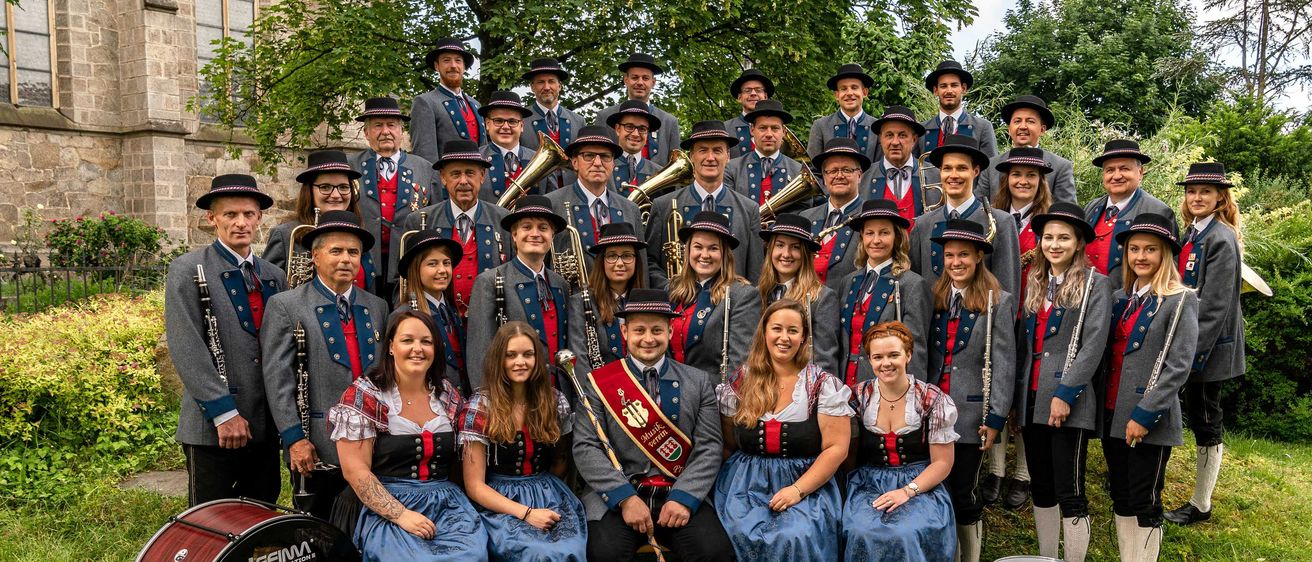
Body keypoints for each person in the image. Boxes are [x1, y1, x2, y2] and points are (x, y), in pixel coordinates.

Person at [572, 288, 735, 561]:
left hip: (679, 491)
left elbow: (709, 447)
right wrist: (625, 498)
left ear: (670, 332)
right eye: (639, 330)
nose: (648, 339)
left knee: (715, 553)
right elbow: (585, 447)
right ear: (625, 333)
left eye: (657, 330)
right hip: (618, 496)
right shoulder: (598, 383)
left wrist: (684, 497)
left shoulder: (698, 382)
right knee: (604, 555)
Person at [261, 211, 390, 523]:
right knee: (319, 529)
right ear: (315, 256)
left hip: (375, 443)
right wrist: (294, 438)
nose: (346, 259)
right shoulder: (286, 305)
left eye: (353, 252)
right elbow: (278, 380)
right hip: (319, 445)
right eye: (336, 251)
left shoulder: (377, 306)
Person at [328, 311, 486, 560]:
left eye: (426, 341)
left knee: (472, 555)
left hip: (447, 506)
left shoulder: (447, 395)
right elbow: (355, 471)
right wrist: (401, 515)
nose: (417, 349)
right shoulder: (366, 395)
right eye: (407, 340)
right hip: (383, 507)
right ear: (391, 347)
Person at [167, 174, 286, 507]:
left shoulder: (273, 276)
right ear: (212, 218)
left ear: (259, 218)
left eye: (248, 214)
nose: (240, 223)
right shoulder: (187, 269)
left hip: (264, 426)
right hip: (212, 428)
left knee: (260, 517)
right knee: (210, 521)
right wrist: (223, 413)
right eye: (230, 214)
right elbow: (187, 347)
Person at [714, 299, 852, 560]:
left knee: (795, 535)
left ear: (804, 338)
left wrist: (797, 490)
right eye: (777, 329)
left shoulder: (821, 385)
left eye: (793, 330)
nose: (784, 337)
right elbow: (728, 441)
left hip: (807, 483)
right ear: (764, 333)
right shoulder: (742, 381)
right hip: (745, 484)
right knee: (734, 532)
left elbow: (836, 449)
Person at [1013, 202, 1113, 562]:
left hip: (1069, 399)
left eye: (1064, 238)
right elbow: (1024, 346)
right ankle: (1046, 557)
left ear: (1079, 242)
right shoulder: (1035, 281)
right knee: (1041, 487)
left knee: (1070, 491)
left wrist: (1066, 394)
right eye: (1048, 237)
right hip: (1031, 396)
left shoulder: (1096, 284)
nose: (1054, 245)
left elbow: (1094, 345)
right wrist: (1015, 400)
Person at [1102, 213, 1198, 562]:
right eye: (1134, 249)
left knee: (1145, 499)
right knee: (1121, 495)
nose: (1140, 256)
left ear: (1165, 254)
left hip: (1149, 419)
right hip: (1112, 413)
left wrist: (1145, 414)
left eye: (1150, 249)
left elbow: (1178, 366)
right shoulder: (1120, 298)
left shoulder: (1180, 299)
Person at [925, 219, 1017, 562]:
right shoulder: (933, 296)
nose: (956, 262)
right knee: (937, 490)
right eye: (950, 255)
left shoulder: (999, 301)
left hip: (970, 415)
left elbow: (1004, 364)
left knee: (964, 490)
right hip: (931, 414)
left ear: (979, 256)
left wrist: (995, 418)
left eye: (963, 254)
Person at [459, 322, 587, 561]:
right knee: (535, 552)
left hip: (548, 492)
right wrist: (526, 512)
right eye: (511, 355)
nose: (520, 362)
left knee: (567, 549)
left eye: (528, 354)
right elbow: (474, 485)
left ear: (537, 359)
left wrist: (545, 499)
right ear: (499, 360)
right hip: (498, 500)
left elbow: (560, 460)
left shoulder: (553, 401)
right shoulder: (481, 407)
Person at [1165, 163, 1245, 526]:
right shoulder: (1194, 231)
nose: (1197, 197)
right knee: (1198, 415)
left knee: (1207, 420)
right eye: (1191, 191)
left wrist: (1191, 357)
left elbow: (1214, 307)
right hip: (1189, 341)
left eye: (1205, 192)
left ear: (1220, 197)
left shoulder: (1220, 238)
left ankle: (1201, 503)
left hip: (1207, 347)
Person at [843, 321, 958, 562]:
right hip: (869, 482)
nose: (885, 363)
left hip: (920, 483)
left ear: (908, 355)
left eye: (893, 355)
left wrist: (908, 491)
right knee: (860, 530)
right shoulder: (858, 397)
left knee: (905, 532)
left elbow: (942, 463)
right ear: (870, 360)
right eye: (878, 357)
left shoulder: (931, 399)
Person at [983, 145, 1056, 509]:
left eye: (1031, 176)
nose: (1023, 181)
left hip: (1036, 313)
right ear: (1006, 179)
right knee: (998, 386)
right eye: (1016, 175)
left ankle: (1023, 474)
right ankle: (996, 470)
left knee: (1027, 392)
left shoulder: (1050, 222)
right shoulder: (992, 218)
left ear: (1041, 182)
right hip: (998, 312)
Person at [465, 195, 570, 389]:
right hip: (512, 394)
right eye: (527, 227)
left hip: (559, 394)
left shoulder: (560, 284)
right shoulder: (488, 281)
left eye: (543, 228)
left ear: (552, 236)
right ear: (514, 235)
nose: (535, 234)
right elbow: (480, 353)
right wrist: (486, 398)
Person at [644, 121, 763, 287]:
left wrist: (742, 298)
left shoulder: (749, 210)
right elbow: (649, 261)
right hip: (677, 301)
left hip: (733, 301)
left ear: (728, 156)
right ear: (692, 156)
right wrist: (671, 290)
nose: (710, 158)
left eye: (717, 150)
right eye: (703, 150)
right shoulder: (663, 206)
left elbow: (755, 271)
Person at [404, 140, 513, 318]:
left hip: (491, 322)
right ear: (443, 178)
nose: (463, 181)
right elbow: (403, 284)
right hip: (437, 324)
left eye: (470, 173)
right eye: (455, 174)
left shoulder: (503, 220)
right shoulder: (418, 220)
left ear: (482, 176)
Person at [911, 134, 1022, 299]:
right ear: (940, 172)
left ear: (975, 171)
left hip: (982, 315)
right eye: (947, 168)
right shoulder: (923, 224)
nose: (953, 175)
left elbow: (1008, 292)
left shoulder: (1002, 222)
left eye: (961, 168)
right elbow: (915, 290)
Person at [836, 199, 933, 386]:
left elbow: (915, 350)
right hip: (843, 387)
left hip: (886, 388)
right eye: (869, 233)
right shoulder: (848, 282)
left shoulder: (912, 284)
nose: (876, 240)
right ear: (862, 237)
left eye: (884, 233)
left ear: (897, 237)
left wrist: (911, 396)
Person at [351, 97, 437, 296]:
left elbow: (436, 215)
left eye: (391, 125)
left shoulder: (425, 168)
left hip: (409, 261)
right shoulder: (350, 166)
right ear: (366, 133)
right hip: (362, 261)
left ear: (401, 131)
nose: (385, 131)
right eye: (377, 126)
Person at [666, 212, 763, 379]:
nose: (704, 255)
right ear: (688, 250)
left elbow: (738, 366)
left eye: (713, 248)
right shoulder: (673, 289)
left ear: (725, 254)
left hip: (712, 392)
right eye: (698, 247)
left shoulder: (743, 295)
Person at [263, 150, 377, 292]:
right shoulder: (285, 235)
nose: (336, 195)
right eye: (325, 187)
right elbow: (267, 290)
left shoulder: (359, 233)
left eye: (343, 187)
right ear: (309, 191)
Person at [1083, 139, 1178, 290]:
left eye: (1124, 168)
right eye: (1110, 170)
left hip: (1129, 300)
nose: (1116, 176)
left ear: (1140, 172)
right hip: (1085, 297)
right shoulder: (1091, 207)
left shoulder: (1157, 210)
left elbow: (1169, 270)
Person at [757, 214, 842, 373]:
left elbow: (825, 361)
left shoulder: (822, 298)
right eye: (780, 245)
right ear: (770, 249)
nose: (786, 254)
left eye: (795, 247)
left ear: (805, 254)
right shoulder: (758, 293)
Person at [546, 124, 644, 259]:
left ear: (613, 164)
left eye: (605, 156)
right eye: (589, 155)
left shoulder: (631, 209)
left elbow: (641, 264)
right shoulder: (552, 204)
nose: (597, 163)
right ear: (575, 163)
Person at [392, 231, 470, 395]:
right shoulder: (403, 315)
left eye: (446, 263)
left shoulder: (452, 310)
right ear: (416, 269)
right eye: (432, 264)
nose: (442, 270)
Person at [568, 223, 648, 373]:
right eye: (611, 256)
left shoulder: (647, 302)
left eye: (627, 256)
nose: (619, 263)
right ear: (601, 261)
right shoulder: (580, 302)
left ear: (636, 260)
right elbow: (579, 359)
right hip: (599, 385)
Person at [974, 95, 1076, 204]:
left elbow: (1067, 210)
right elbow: (979, 206)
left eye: (1030, 121)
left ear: (1042, 130)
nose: (1023, 126)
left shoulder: (1060, 167)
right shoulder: (991, 165)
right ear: (1009, 129)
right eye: (1017, 121)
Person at [593, 53, 681, 166]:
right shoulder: (605, 116)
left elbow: (675, 165)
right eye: (635, 77)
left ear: (653, 82)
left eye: (645, 78)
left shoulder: (669, 121)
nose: (640, 82)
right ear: (626, 80)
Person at [802, 138, 867, 287]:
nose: (839, 176)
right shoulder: (806, 217)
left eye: (847, 170)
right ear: (824, 178)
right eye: (832, 171)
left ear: (859, 175)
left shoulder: (869, 217)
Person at [410, 38, 485, 162]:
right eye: (446, 60)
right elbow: (424, 155)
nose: (453, 65)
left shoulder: (476, 104)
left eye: (458, 60)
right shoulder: (425, 102)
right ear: (437, 66)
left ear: (464, 66)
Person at [724, 99, 805, 209]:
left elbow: (803, 209)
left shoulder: (798, 171)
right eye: (762, 128)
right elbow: (727, 207)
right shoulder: (732, 168)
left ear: (784, 132)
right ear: (752, 130)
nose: (769, 134)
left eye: (775, 128)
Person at [478, 91, 550, 204]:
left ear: (521, 126)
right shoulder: (476, 159)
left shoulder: (540, 159)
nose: (506, 127)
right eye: (498, 121)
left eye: (512, 121)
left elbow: (552, 201)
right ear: (487, 124)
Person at [865, 105, 931, 225]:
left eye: (902, 135)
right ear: (880, 139)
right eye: (889, 135)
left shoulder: (934, 175)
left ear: (914, 139)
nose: (895, 142)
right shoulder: (864, 177)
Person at [921, 60, 997, 156]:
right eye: (943, 86)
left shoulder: (982, 127)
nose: (949, 91)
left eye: (954, 85)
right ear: (936, 90)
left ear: (963, 88)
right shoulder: (922, 130)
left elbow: (991, 164)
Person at [807, 63, 878, 163]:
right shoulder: (820, 126)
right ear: (837, 95)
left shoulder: (877, 127)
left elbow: (880, 167)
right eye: (843, 89)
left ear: (865, 92)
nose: (849, 93)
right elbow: (812, 168)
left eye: (854, 87)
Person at [521, 58, 587, 154]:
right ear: (532, 87)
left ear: (559, 86)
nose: (547, 87)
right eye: (541, 82)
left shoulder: (579, 121)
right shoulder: (521, 120)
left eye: (551, 81)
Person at [605, 101, 662, 195]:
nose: (635, 134)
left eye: (642, 129)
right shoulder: (601, 168)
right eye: (629, 127)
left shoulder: (659, 173)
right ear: (618, 129)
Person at [725, 68, 775, 159]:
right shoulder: (725, 129)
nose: (753, 93)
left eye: (758, 90)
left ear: (765, 96)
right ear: (739, 97)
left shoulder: (778, 128)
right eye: (747, 90)